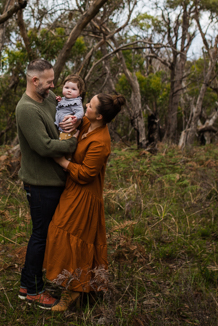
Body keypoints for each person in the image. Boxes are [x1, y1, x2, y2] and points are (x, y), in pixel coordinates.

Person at [44, 92, 127, 312]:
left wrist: (62, 161)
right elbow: (77, 116)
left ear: (100, 116)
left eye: (90, 105)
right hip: (72, 191)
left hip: (85, 195)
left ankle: (73, 291)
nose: (85, 106)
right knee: (59, 233)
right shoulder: (89, 121)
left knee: (75, 239)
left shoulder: (101, 142)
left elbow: (86, 174)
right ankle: (68, 282)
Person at [15, 59, 81, 309]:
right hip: (41, 185)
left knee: (43, 235)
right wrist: (71, 144)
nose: (54, 85)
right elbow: (43, 146)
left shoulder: (49, 98)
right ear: (35, 81)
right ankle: (33, 292)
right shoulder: (26, 109)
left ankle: (26, 285)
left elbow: (66, 114)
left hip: (54, 180)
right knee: (41, 237)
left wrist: (74, 123)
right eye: (50, 81)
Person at [54, 74, 86, 140]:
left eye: (73, 89)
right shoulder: (64, 99)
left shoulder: (76, 102)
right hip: (59, 127)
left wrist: (76, 117)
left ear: (79, 92)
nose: (69, 90)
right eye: (67, 88)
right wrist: (60, 101)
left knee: (63, 142)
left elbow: (80, 112)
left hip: (67, 129)